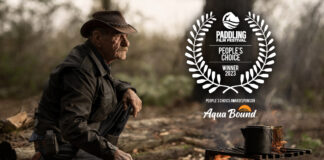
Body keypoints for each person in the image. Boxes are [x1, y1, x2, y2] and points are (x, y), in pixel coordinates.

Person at [29, 11, 142, 160]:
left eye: (126, 37)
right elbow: (72, 126)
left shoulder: (94, 59)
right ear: (98, 38)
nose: (126, 43)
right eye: (119, 36)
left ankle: (101, 151)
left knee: (125, 101)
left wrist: (126, 89)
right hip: (61, 143)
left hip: (74, 136)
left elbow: (101, 81)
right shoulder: (80, 70)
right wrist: (111, 152)